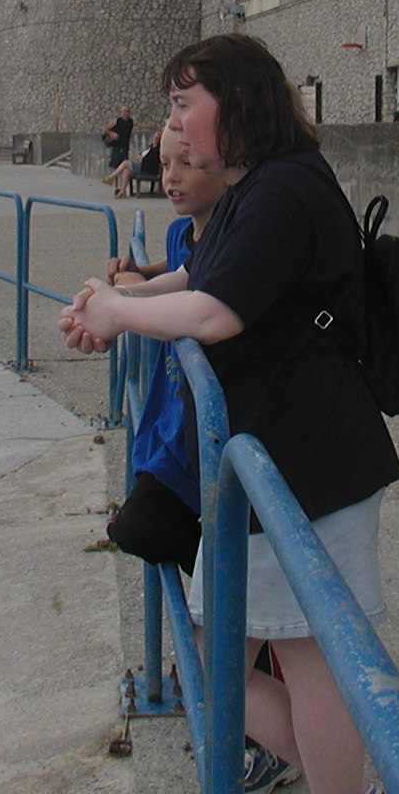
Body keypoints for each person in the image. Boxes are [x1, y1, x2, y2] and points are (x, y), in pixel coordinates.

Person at [60, 34, 399, 794]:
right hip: (272, 464)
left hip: (307, 465)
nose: (175, 124)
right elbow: (200, 274)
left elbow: (216, 312)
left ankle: (347, 782)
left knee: (310, 664)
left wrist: (120, 311)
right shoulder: (264, 185)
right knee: (220, 661)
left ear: (237, 102)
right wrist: (115, 301)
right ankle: (341, 775)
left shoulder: (282, 191)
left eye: (184, 103)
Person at [104, 124, 223, 572]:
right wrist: (138, 272)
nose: (170, 177)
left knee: (137, 527)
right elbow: (177, 268)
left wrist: (123, 304)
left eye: (186, 164)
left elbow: (192, 289)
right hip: (170, 412)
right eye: (165, 163)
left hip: (190, 424)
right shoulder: (179, 232)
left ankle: (227, 581)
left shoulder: (231, 244)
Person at [102, 129, 163, 198]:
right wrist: (140, 157)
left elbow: (150, 159)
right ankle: (122, 192)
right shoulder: (151, 147)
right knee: (126, 171)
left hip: (147, 169)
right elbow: (143, 154)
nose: (155, 139)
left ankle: (111, 177)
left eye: (157, 138)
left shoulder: (157, 149)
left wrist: (142, 158)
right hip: (142, 165)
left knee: (126, 163)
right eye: (154, 137)